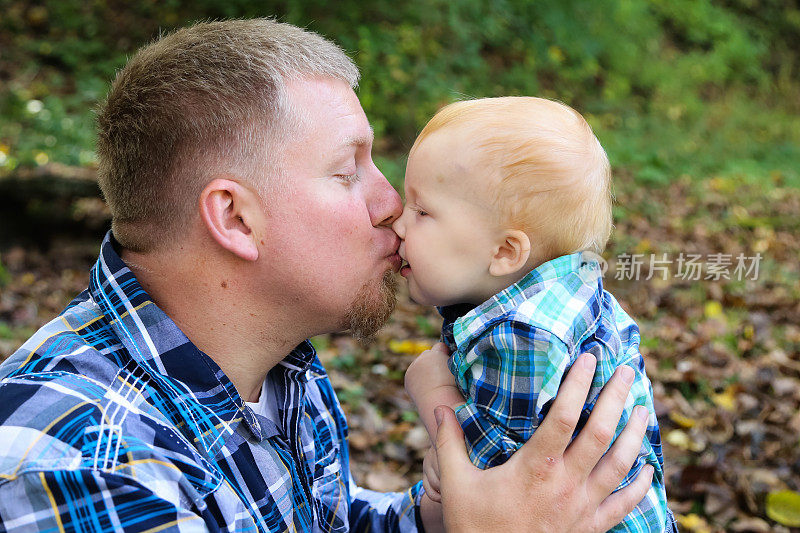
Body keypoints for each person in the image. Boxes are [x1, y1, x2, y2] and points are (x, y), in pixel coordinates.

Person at [0, 19, 654, 532]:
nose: (391, 204)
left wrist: (450, 516)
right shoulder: (82, 468)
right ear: (235, 217)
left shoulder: (272, 367)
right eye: (348, 172)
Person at [398, 97, 677, 531]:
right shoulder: (574, 288)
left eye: (421, 211)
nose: (398, 222)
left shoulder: (521, 336)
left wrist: (435, 396)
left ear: (505, 252)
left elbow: (502, 485)